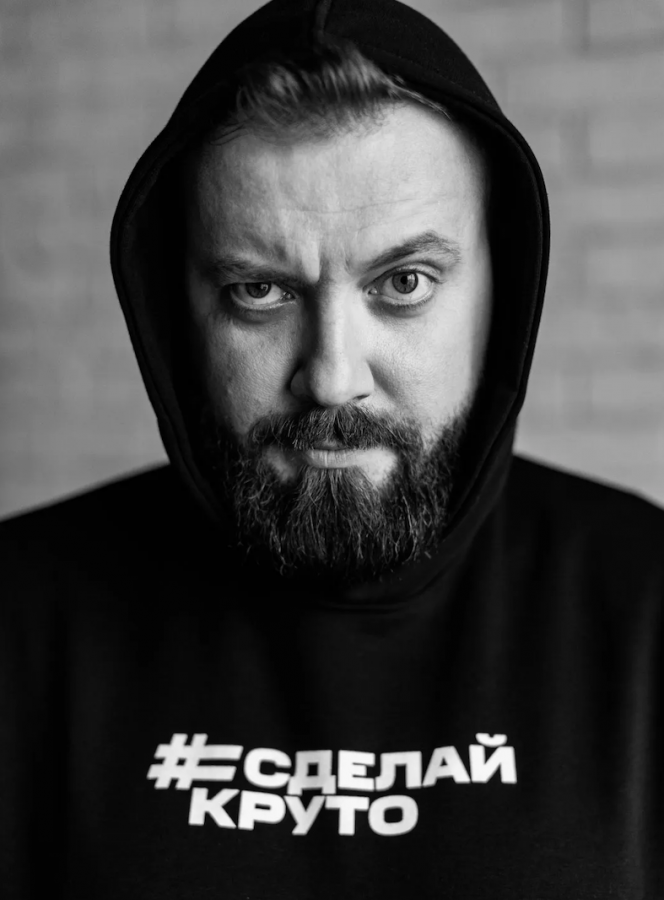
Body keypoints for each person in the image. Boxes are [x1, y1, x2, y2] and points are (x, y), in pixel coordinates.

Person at [1, 0, 662, 896]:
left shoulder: (646, 603)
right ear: (176, 314)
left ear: (499, 297)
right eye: (260, 292)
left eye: (404, 282)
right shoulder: (22, 619)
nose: (332, 377)